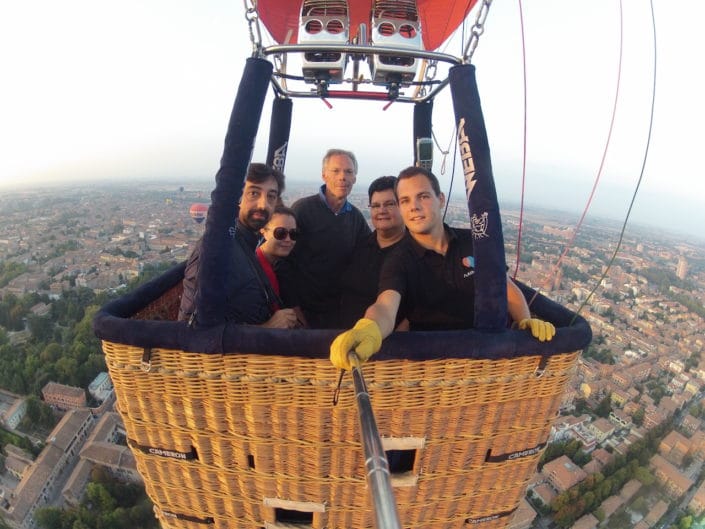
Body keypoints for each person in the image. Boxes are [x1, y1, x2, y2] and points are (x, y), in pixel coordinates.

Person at [330, 166, 556, 370]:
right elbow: (385, 306)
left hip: (487, 358)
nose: (414, 207)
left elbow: (503, 287)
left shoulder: (473, 242)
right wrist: (369, 328)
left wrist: (524, 320)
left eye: (423, 196)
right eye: (405, 201)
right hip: (436, 366)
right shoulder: (399, 260)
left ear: (440, 199)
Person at [178, 163, 300, 329]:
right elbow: (192, 331)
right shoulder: (216, 249)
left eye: (271, 196)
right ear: (237, 197)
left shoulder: (245, 245)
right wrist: (268, 328)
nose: (263, 204)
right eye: (254, 193)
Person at [287, 148, 371, 329]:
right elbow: (285, 262)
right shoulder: (303, 210)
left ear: (354, 178)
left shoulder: (355, 218)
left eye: (348, 172)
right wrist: (294, 308)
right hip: (304, 313)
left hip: (340, 313)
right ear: (324, 175)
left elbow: (369, 257)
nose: (343, 177)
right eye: (336, 171)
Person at [339, 176, 406, 328]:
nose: (381, 211)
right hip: (345, 334)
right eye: (375, 205)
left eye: (389, 204)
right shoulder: (359, 245)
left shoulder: (417, 252)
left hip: (391, 339)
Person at [255, 205, 306, 326]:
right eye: (280, 233)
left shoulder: (281, 267)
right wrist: (268, 326)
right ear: (263, 232)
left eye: (293, 234)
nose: (288, 239)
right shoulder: (252, 269)